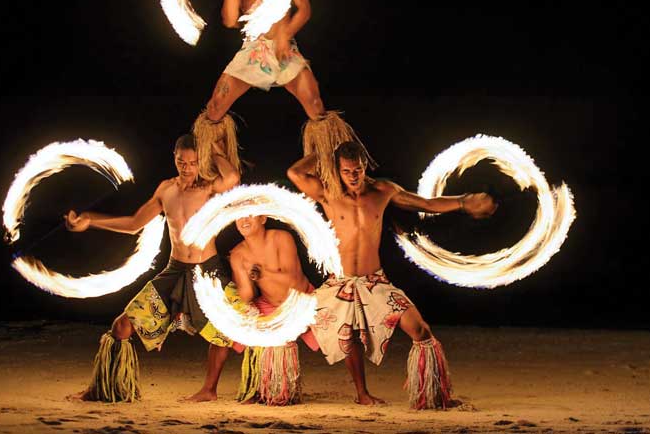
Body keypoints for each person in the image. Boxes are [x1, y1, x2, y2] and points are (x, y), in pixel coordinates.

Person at [287, 141, 497, 409]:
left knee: (421, 330)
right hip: (339, 282)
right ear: (337, 170)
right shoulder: (327, 192)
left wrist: (463, 202)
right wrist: (326, 150)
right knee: (341, 335)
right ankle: (361, 393)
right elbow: (295, 173)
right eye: (347, 171)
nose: (353, 176)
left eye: (358, 169)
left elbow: (425, 203)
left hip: (376, 281)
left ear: (365, 166)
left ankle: (433, 395)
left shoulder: (383, 190)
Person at [194, 0, 372, 196]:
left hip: (285, 48)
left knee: (316, 106)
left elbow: (304, 9)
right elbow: (230, 21)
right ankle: (211, 174)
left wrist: (284, 35)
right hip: (255, 50)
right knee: (215, 107)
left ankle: (336, 175)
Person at [65, 134, 240, 403]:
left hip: (209, 270)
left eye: (193, 162)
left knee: (225, 331)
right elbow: (134, 223)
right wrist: (91, 221)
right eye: (182, 162)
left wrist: (214, 146)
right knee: (121, 327)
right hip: (175, 269)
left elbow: (233, 178)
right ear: (174, 157)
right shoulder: (166, 190)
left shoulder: (209, 188)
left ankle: (209, 390)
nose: (187, 168)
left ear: (200, 161)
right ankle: (104, 389)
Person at [227, 215, 320, 405]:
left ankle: (362, 392)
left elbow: (294, 283)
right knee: (247, 323)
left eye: (249, 215)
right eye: (238, 217)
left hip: (302, 300)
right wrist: (228, 299)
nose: (243, 220)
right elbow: (247, 293)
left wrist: (260, 271)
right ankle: (256, 389)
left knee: (343, 332)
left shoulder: (281, 238)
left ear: (262, 218)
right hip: (268, 304)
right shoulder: (237, 254)